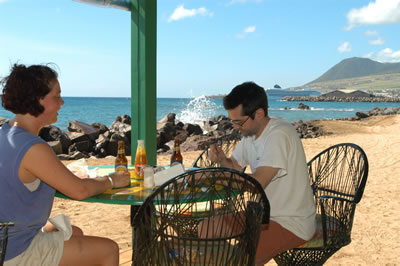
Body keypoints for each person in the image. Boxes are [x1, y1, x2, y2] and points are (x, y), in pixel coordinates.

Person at [0, 63, 131, 266]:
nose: (62, 102)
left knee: (74, 232)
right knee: (108, 250)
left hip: (8, 237)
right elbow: (79, 191)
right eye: (56, 96)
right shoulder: (33, 147)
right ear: (38, 99)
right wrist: (111, 180)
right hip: (14, 252)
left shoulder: (5, 133)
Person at [207, 81, 316, 265]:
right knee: (207, 228)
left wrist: (219, 177)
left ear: (258, 114)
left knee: (241, 258)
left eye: (238, 121)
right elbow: (234, 165)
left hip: (291, 222)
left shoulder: (279, 135)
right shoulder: (251, 133)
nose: (234, 127)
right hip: (260, 216)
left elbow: (256, 184)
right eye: (232, 121)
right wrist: (222, 161)